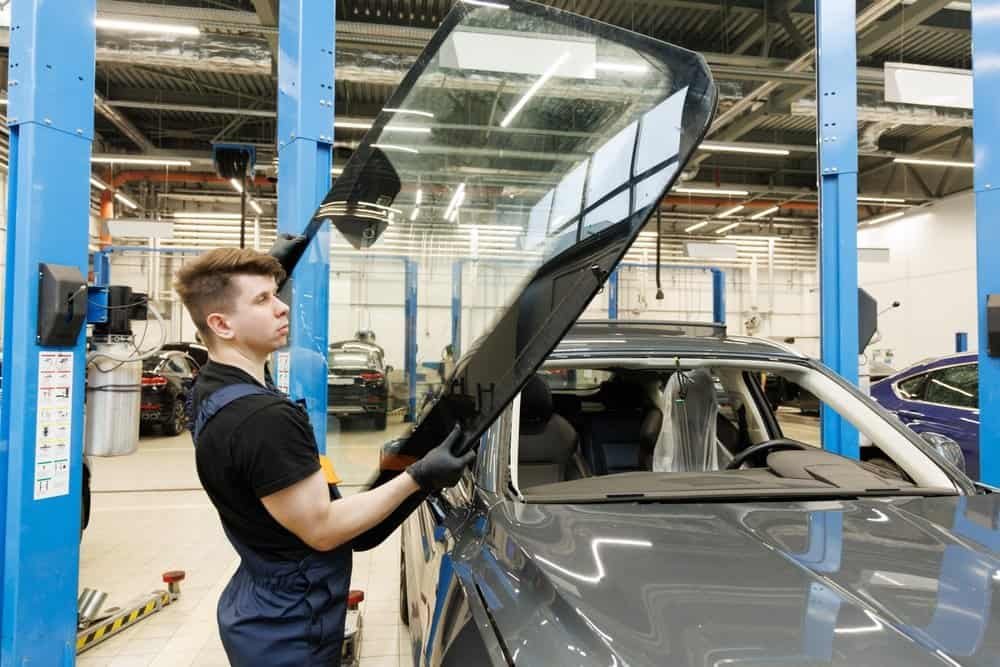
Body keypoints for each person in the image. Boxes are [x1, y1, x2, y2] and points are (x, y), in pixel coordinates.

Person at [173, 247, 473, 666]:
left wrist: (268, 273)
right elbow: (324, 530)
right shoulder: (264, 420)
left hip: (258, 604)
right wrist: (418, 476)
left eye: (277, 295)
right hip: (291, 625)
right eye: (263, 300)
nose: (282, 309)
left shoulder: (211, 390)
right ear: (221, 324)